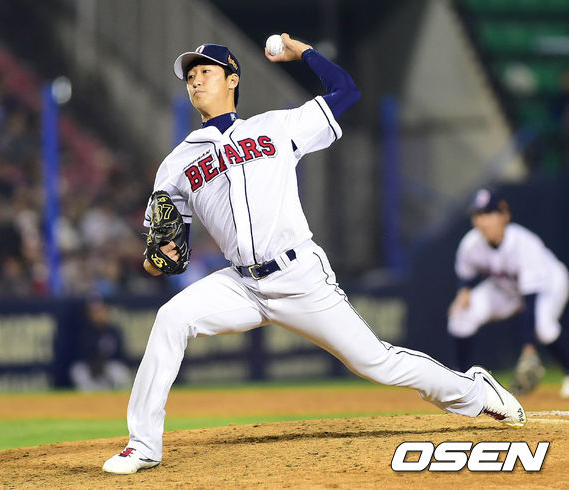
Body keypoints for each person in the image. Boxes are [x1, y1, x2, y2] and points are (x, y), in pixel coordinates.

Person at [103, 34, 526, 475]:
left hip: (299, 275)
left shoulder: (276, 127)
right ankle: (143, 444)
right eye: (190, 75)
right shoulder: (176, 163)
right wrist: (156, 259)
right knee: (172, 317)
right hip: (241, 284)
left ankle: (475, 392)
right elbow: (169, 250)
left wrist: (302, 52)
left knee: (377, 363)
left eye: (205, 71)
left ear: (232, 79)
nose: (195, 81)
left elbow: (346, 91)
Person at [448, 187, 569, 397]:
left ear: (504, 215)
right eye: (478, 215)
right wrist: (464, 290)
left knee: (543, 325)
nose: (482, 221)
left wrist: (528, 348)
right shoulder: (470, 244)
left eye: (488, 213)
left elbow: (529, 301)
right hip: (507, 289)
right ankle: (462, 380)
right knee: (461, 313)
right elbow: (466, 273)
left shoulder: (525, 244)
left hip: (549, 285)